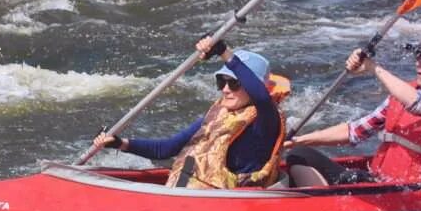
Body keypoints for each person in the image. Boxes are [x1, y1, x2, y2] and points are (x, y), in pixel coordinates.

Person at [284, 32, 421, 184]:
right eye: (418, 56)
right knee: (300, 154)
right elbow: (356, 131)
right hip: (381, 181)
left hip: (420, 190)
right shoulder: (404, 93)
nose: (419, 64)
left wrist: (374, 68)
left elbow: (420, 104)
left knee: (308, 162)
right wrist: (297, 140)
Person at [92, 38, 290, 188]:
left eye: (235, 83)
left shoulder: (266, 118)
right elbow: (167, 148)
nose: (226, 89)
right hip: (191, 191)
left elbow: (261, 97)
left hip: (231, 200)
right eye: (222, 81)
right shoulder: (219, 114)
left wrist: (224, 52)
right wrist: (121, 143)